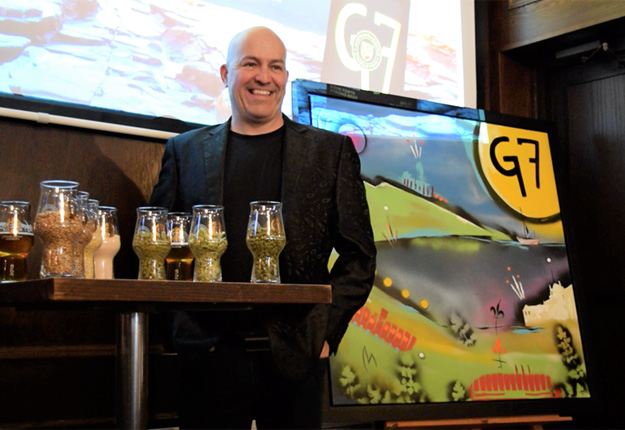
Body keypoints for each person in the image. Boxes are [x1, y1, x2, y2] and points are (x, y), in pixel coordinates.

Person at [149, 26, 376, 429]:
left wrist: (325, 332)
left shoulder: (329, 152)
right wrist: (177, 328)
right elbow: (157, 245)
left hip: (297, 354)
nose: (263, 76)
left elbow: (360, 256)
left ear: (286, 77)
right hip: (208, 353)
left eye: (276, 66)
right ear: (224, 73)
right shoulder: (184, 151)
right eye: (249, 64)